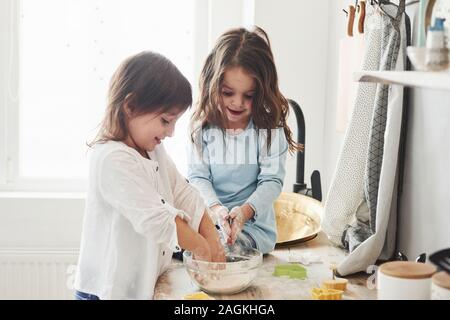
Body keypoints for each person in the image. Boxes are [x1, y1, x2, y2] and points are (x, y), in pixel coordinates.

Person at [74, 51, 225, 300]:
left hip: (139, 284)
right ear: (130, 106)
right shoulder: (112, 159)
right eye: (166, 121)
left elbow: (182, 191)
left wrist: (211, 237)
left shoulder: (152, 150)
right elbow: (157, 218)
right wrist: (201, 247)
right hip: (107, 290)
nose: (171, 132)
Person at [188, 27, 301, 254]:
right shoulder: (202, 128)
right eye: (228, 93)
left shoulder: (269, 130)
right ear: (213, 85)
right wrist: (217, 209)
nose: (237, 103)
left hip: (253, 228)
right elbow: (198, 178)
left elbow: (271, 182)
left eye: (248, 96)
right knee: (187, 243)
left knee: (226, 250)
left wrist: (244, 212)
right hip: (210, 219)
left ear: (260, 92)